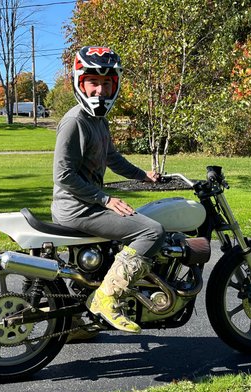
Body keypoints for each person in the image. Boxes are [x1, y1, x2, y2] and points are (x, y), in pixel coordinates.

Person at [52, 46, 166, 334]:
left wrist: (143, 175)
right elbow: (63, 176)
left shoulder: (98, 120)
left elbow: (112, 158)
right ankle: (107, 297)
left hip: (83, 205)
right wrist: (105, 199)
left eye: (106, 83)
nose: (100, 91)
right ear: (80, 83)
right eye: (93, 82)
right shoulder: (75, 121)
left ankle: (74, 324)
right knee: (151, 231)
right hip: (77, 208)